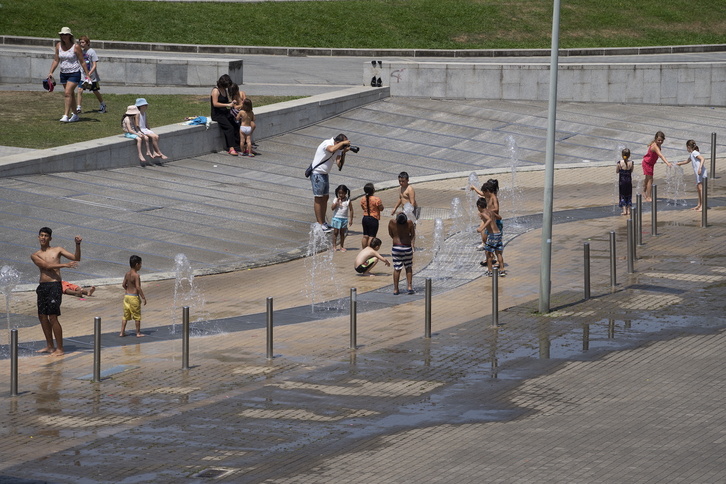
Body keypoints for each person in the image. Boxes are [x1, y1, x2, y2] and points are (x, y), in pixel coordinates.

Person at [30, 227, 82, 356]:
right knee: (42, 316)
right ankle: (49, 346)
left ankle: (60, 348)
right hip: (43, 286)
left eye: (46, 236)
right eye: (41, 235)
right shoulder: (35, 255)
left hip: (54, 286)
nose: (43, 238)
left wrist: (77, 244)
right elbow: (45, 266)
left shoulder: (57, 250)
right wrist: (65, 265)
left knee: (53, 316)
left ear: (50, 238)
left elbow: (76, 257)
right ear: (38, 237)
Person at [47, 27, 92, 123]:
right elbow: (56, 60)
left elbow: (82, 61)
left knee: (67, 93)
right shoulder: (58, 46)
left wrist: (87, 75)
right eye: (62, 35)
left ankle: (66, 115)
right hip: (63, 73)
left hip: (74, 73)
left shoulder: (75, 47)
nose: (64, 36)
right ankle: (75, 114)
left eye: (66, 34)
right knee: (70, 94)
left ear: (70, 36)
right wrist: (51, 72)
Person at [310, 133, 351, 232]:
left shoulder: (338, 149)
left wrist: (343, 152)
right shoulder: (327, 143)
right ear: (337, 142)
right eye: (342, 144)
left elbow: (339, 165)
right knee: (318, 198)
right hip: (317, 174)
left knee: (325, 197)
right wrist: (343, 144)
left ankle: (323, 222)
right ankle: (319, 223)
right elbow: (331, 149)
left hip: (324, 174)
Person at [210, 74, 241, 155]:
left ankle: (238, 145)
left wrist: (231, 103)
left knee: (236, 124)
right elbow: (215, 103)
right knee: (229, 128)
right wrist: (227, 105)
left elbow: (224, 102)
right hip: (217, 114)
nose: (227, 87)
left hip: (224, 112)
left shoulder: (224, 90)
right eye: (226, 85)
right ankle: (230, 147)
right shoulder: (215, 91)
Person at [75, 36, 106, 114]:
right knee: (80, 90)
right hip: (83, 74)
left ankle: (103, 104)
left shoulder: (92, 52)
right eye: (80, 42)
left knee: (95, 90)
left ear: (87, 43)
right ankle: (78, 107)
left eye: (83, 42)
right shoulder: (81, 52)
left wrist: (89, 73)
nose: (81, 44)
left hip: (92, 76)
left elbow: (94, 65)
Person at [476, 197, 505, 277]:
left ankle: (490, 271)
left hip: (492, 235)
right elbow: (499, 217)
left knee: (488, 253)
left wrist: (481, 228)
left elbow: (488, 220)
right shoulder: (491, 211)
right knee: (498, 253)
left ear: (479, 206)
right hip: (498, 234)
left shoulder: (483, 213)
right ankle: (502, 270)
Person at [470, 179, 502, 251]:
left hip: (493, 218)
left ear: (488, 190)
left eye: (485, 191)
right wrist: (474, 188)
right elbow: (481, 194)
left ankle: (487, 246)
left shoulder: (493, 197)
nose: (483, 193)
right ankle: (485, 244)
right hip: (488, 216)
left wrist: (487, 211)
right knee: (485, 231)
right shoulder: (488, 195)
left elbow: (496, 209)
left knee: (489, 233)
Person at [676, 140, 708, 211]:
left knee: (701, 189)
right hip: (698, 173)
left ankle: (702, 206)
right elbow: (687, 161)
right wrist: (678, 164)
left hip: (701, 173)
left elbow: (702, 159)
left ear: (688, 147)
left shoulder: (694, 153)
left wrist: (700, 168)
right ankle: (699, 205)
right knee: (698, 189)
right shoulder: (692, 154)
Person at [388, 212, 415, 295]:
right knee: (408, 267)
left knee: (397, 268)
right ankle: (409, 287)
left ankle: (396, 289)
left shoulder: (392, 223)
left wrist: (396, 238)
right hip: (407, 246)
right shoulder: (409, 223)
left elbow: (390, 233)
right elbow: (413, 234)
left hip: (396, 247)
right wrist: (408, 239)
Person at [120, 255, 147, 338]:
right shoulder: (136, 276)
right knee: (137, 316)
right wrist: (143, 297)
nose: (141, 266)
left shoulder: (127, 274)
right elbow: (138, 287)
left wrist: (127, 289)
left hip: (127, 296)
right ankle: (138, 333)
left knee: (125, 315)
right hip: (134, 297)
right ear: (136, 264)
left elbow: (123, 285)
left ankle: (122, 332)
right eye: (140, 264)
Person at [642, 131, 672, 202]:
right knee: (650, 180)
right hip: (647, 163)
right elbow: (660, 155)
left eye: (662, 140)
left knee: (647, 179)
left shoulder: (657, 144)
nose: (660, 142)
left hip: (649, 163)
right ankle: (648, 197)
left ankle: (643, 192)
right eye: (659, 140)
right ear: (655, 139)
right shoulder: (655, 146)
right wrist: (667, 163)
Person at [360, 182, 384, 249]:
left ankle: (363, 250)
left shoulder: (363, 199)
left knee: (365, 235)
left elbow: (362, 207)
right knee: (372, 236)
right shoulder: (376, 199)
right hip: (373, 218)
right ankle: (369, 250)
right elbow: (381, 208)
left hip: (365, 218)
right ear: (373, 190)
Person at [331, 184, 353, 251]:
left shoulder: (348, 201)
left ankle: (341, 246)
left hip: (344, 219)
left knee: (342, 233)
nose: (340, 195)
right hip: (336, 218)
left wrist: (351, 219)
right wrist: (336, 203)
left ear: (345, 193)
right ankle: (334, 246)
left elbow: (351, 209)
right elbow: (332, 208)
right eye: (339, 193)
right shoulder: (335, 199)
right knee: (335, 232)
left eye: (342, 193)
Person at [617, 148, 633, 215]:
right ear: (629, 155)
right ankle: (628, 210)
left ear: (622, 155)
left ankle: (624, 211)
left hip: (622, 182)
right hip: (629, 181)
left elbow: (617, 171)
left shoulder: (619, 163)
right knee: (629, 195)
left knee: (622, 195)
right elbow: (631, 171)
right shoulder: (631, 163)